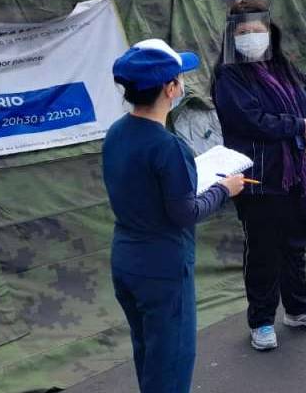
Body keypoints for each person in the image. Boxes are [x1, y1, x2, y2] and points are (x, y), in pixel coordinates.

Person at [104, 39, 245, 393]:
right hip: (163, 267)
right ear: (170, 89)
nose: (183, 84)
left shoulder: (116, 133)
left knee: (147, 353)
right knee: (171, 364)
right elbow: (185, 212)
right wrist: (223, 189)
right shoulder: (169, 147)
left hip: (126, 260)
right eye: (180, 78)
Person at [212, 0, 306, 353]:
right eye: (243, 31)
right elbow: (250, 120)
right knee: (263, 249)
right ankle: (262, 320)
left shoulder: (283, 64)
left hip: (296, 172)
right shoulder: (228, 76)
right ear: (232, 35)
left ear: (269, 30)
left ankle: (299, 308)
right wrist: (300, 126)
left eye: (257, 29)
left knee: (296, 244)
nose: (251, 36)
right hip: (259, 178)